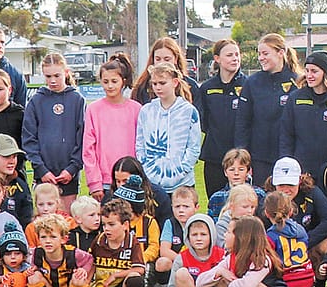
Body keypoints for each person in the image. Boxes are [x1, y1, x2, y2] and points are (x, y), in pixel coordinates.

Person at [23, 52, 87, 209]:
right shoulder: (36, 101)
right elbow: (29, 139)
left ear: (66, 73)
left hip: (68, 175)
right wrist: (41, 169)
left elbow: (83, 137)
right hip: (43, 175)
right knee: (46, 221)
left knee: (66, 221)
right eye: (48, 76)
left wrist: (72, 169)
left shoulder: (77, 100)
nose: (52, 80)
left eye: (57, 75)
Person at [240, 34, 301, 187]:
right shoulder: (252, 83)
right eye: (259, 54)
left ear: (281, 53)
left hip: (289, 157)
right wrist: (243, 157)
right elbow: (243, 122)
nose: (261, 58)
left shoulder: (298, 82)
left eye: (265, 53)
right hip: (260, 157)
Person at [280, 51, 327, 177]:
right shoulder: (295, 99)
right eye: (307, 70)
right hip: (302, 169)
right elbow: (286, 135)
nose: (309, 75)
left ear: (325, 73)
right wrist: (287, 163)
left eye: (314, 71)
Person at [191, 40, 250, 196]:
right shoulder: (207, 88)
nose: (235, 58)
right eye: (229, 55)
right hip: (214, 157)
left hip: (240, 157)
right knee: (215, 203)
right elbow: (202, 121)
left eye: (237, 54)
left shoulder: (249, 85)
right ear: (217, 58)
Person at [136, 62, 202, 199]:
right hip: (152, 182)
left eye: (162, 83)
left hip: (183, 183)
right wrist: (146, 166)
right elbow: (140, 143)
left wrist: (182, 169)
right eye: (154, 84)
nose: (158, 87)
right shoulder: (146, 111)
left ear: (175, 82)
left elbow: (194, 146)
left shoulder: (189, 111)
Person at [82, 53, 140, 200]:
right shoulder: (93, 109)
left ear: (123, 81)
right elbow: (88, 149)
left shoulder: (136, 109)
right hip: (105, 183)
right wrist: (94, 183)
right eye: (105, 81)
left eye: (114, 81)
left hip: (132, 180)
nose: (110, 85)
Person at [28, 214, 94, 287]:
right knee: (33, 276)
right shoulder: (37, 254)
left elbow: (90, 260)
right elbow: (34, 266)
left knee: (79, 277)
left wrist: (84, 271)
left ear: (63, 239)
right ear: (38, 239)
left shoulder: (73, 253)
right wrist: (33, 269)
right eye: (43, 237)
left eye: (53, 237)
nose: (48, 241)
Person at [131, 36, 196, 106]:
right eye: (158, 59)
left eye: (167, 59)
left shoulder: (190, 85)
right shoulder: (142, 86)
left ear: (175, 59)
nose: (162, 63)